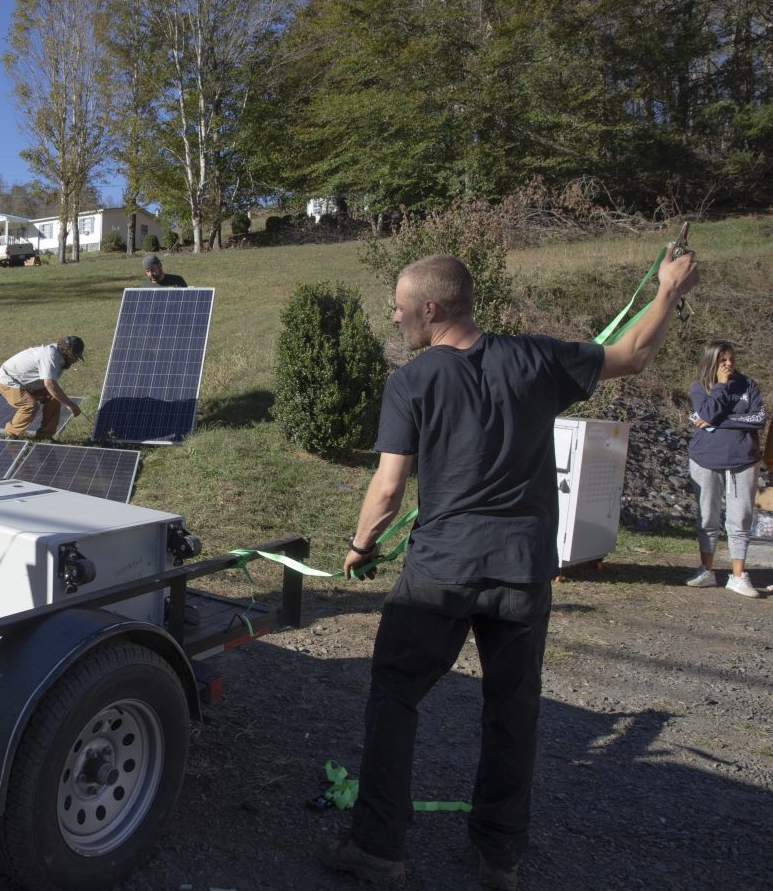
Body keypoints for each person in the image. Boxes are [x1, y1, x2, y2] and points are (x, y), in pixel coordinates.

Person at [321, 249, 699, 890]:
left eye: (400, 306)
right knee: (512, 710)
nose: (395, 315)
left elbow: (387, 491)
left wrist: (360, 546)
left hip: (440, 570)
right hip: (522, 572)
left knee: (394, 699)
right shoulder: (536, 358)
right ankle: (500, 858)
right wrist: (668, 290)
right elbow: (634, 355)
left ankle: (378, 848)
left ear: (431, 310)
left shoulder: (412, 381)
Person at [684, 340, 765, 597]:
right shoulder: (699, 387)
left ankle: (739, 576)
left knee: (740, 518)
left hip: (744, 460)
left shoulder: (748, 385)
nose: (729, 364)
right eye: (723, 360)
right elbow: (706, 411)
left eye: (731, 359)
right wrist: (720, 387)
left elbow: (758, 419)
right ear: (712, 362)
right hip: (705, 459)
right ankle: (706, 571)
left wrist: (720, 421)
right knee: (707, 517)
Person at [0, 336, 85, 439]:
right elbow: (49, 384)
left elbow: (51, 385)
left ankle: (45, 436)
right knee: (30, 405)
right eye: (76, 357)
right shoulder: (50, 356)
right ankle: (11, 435)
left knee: (54, 397)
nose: (76, 360)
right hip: (8, 380)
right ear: (69, 352)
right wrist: (70, 405)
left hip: (26, 382)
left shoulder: (59, 355)